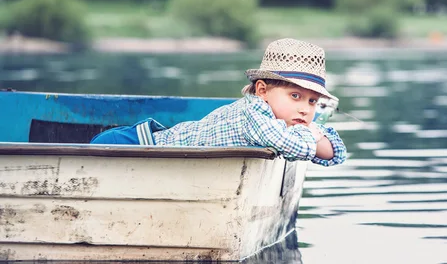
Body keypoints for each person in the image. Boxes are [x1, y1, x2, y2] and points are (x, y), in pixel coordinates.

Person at [91, 38, 346, 167]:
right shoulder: (255, 114)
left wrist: (315, 133)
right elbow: (291, 147)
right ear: (262, 91)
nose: (305, 108)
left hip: (158, 153)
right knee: (87, 157)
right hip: (137, 143)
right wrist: (311, 134)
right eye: (295, 96)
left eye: (313, 101)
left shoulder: (283, 122)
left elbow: (337, 154)